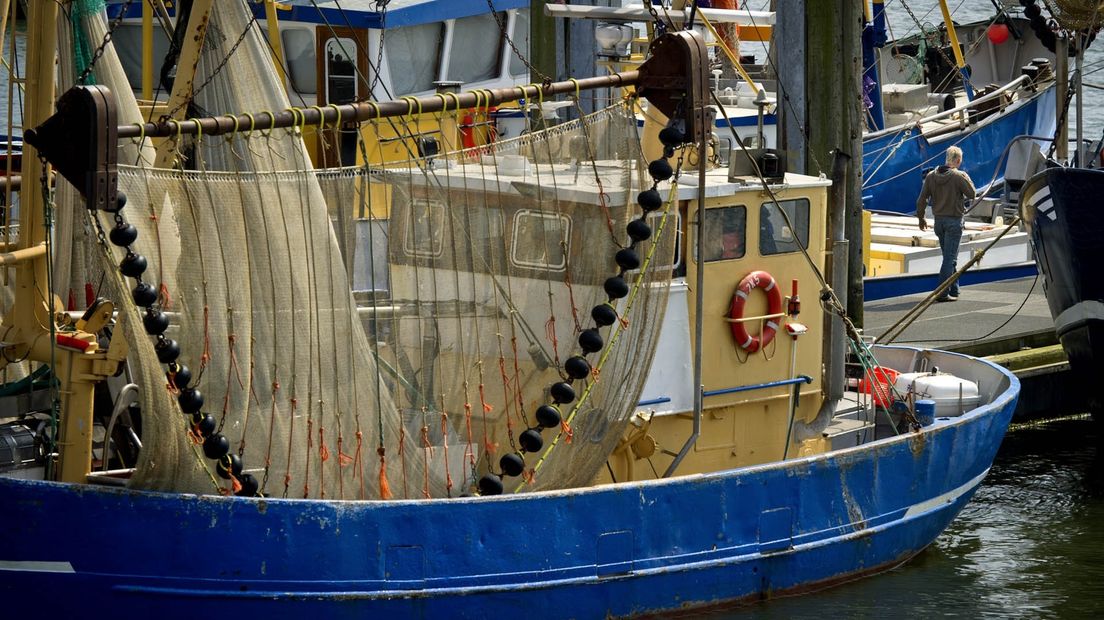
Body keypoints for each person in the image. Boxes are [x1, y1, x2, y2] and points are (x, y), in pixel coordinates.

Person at [916, 146, 976, 302]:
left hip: (939, 223)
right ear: (958, 160)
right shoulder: (958, 176)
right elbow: (972, 194)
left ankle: (954, 290)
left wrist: (921, 218)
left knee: (950, 256)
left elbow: (921, 200)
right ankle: (942, 293)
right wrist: (966, 177)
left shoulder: (930, 176)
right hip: (954, 222)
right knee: (949, 258)